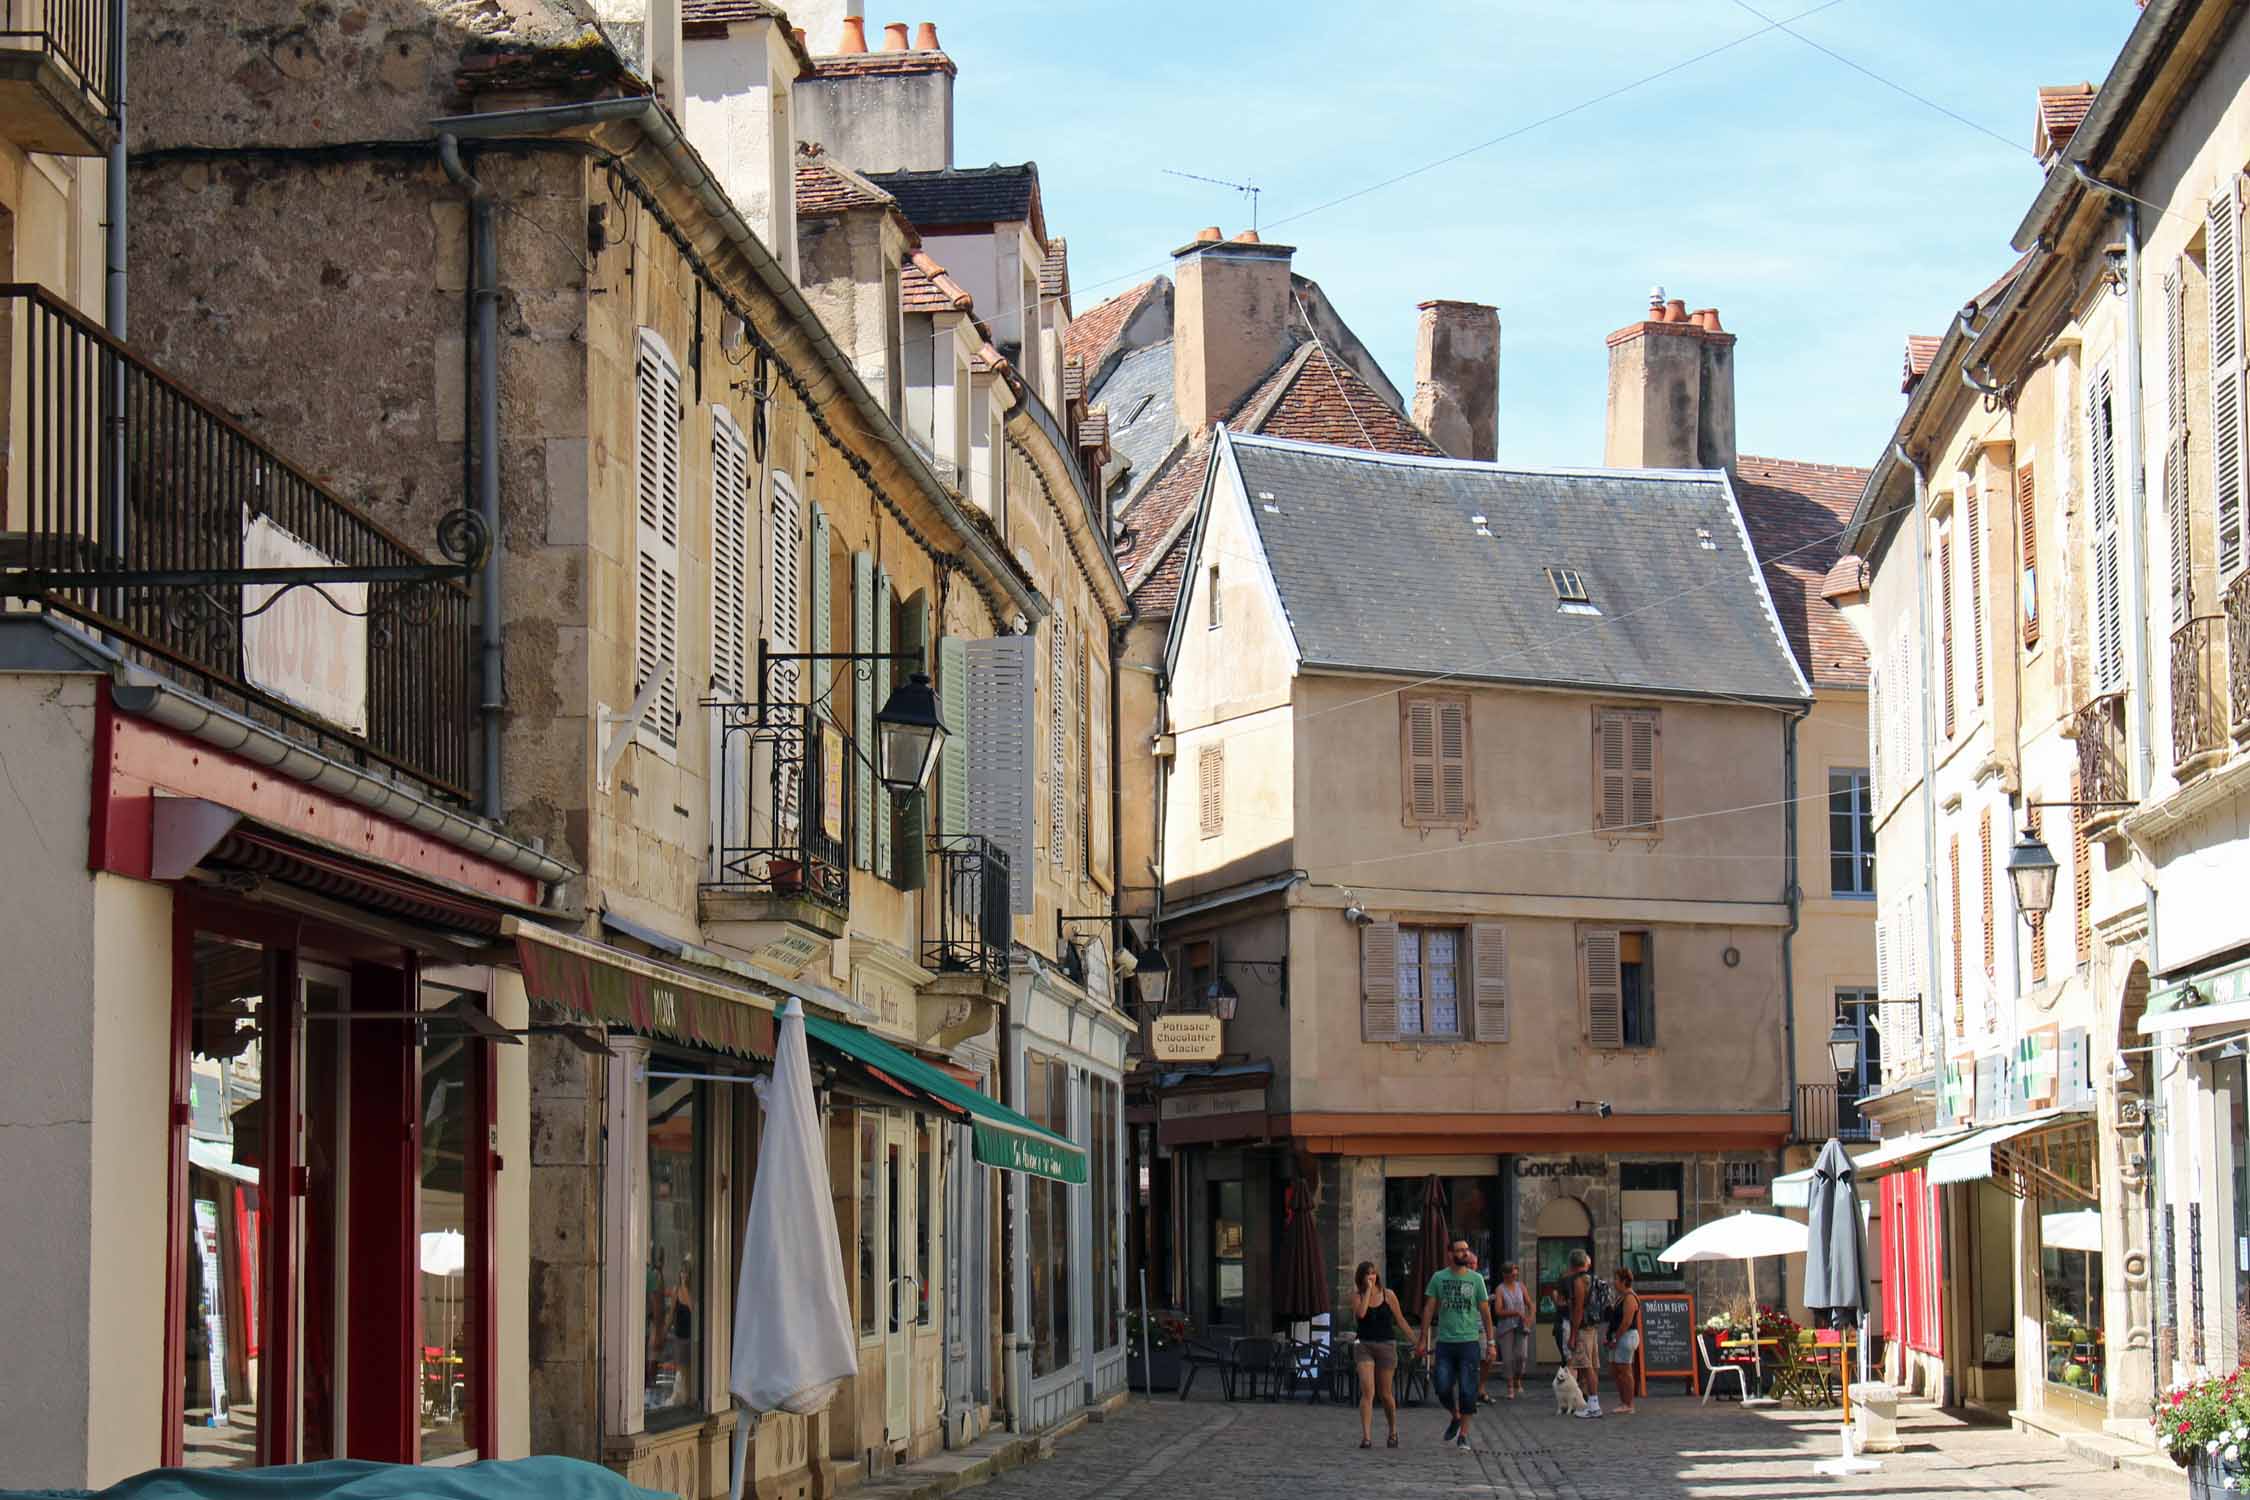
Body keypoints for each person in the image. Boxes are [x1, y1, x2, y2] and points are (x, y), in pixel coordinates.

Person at [1417, 1237, 1495, 1452]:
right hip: (1445, 1341)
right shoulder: (1438, 1278)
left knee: (1468, 1389)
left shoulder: (1476, 1279)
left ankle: (1464, 1435)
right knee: (1442, 1386)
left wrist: (1490, 1342)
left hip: (1469, 1341)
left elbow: (1486, 1313)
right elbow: (1429, 1309)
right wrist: (1422, 1338)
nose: (1465, 1254)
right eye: (1460, 1250)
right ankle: (1455, 1415)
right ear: (1450, 1254)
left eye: (1466, 1250)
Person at [1350, 1261, 1406, 1449]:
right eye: (1367, 1274)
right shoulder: (1358, 1296)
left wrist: (1417, 1341)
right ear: (1361, 1277)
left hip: (1386, 1345)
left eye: (1373, 1273)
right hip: (1364, 1344)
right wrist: (1367, 1291)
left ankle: (1393, 1430)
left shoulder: (1388, 1295)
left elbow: (1400, 1320)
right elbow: (1361, 1315)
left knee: (1385, 1394)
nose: (1371, 1277)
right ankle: (1366, 1437)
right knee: (1368, 1391)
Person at [1560, 1248, 1602, 1417]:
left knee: (1586, 1366)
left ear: (1571, 1264)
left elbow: (1577, 1309)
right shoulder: (1592, 1279)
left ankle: (1593, 1405)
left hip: (1583, 1328)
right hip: (1593, 1326)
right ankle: (1593, 1403)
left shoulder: (1578, 1281)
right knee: (1591, 1365)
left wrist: (1573, 1334)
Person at [1491, 1262, 1532, 1399]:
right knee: (1508, 1359)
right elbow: (1498, 1311)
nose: (1514, 1277)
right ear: (1505, 1275)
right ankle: (1509, 1386)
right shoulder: (1500, 1289)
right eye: (1511, 1275)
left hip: (1521, 1326)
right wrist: (1515, 1312)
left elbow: (1530, 1304)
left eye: (1515, 1274)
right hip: (1506, 1327)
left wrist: (1530, 1317)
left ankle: (1518, 1379)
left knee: (1522, 1356)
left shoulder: (1521, 1286)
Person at [1606, 1268, 1642, 1415]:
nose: (1614, 1282)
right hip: (1619, 1335)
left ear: (1623, 1281)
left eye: (1616, 1279)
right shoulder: (1621, 1297)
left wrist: (1616, 1338)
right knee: (1616, 1370)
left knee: (1625, 1369)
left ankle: (1629, 1403)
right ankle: (1623, 1401)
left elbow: (1626, 1321)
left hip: (1626, 1336)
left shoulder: (1630, 1298)